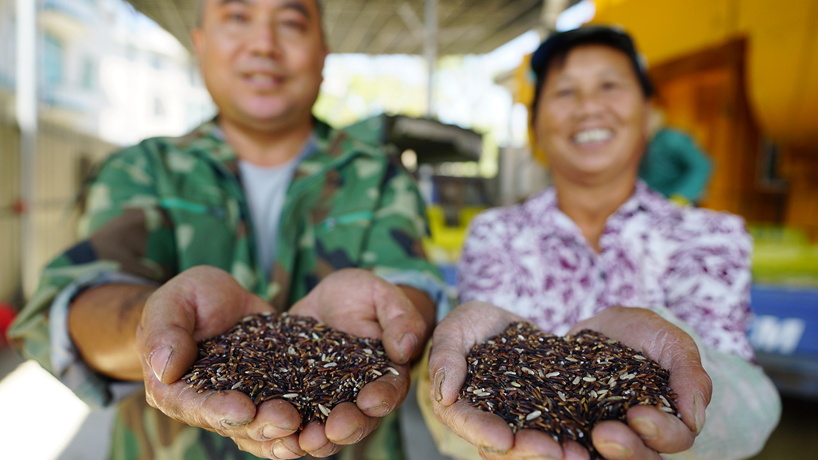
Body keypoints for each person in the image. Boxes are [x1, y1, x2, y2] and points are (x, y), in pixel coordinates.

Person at [8, 0, 447, 459]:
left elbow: (410, 284)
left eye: (291, 23)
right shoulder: (143, 168)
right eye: (237, 17)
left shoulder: (377, 175)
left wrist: (394, 317)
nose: (263, 44)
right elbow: (82, 297)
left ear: (323, 54)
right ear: (199, 45)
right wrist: (157, 328)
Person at [420, 26, 780, 460]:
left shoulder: (710, 236)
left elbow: (751, 404)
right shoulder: (497, 234)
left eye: (610, 85)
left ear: (649, 112)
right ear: (536, 125)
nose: (589, 106)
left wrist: (674, 352)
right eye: (565, 92)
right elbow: (477, 380)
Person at [639, 108, 713, 206]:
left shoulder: (671, 139)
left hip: (676, 200)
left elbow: (701, 165)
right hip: (650, 201)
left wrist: (681, 197)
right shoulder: (640, 143)